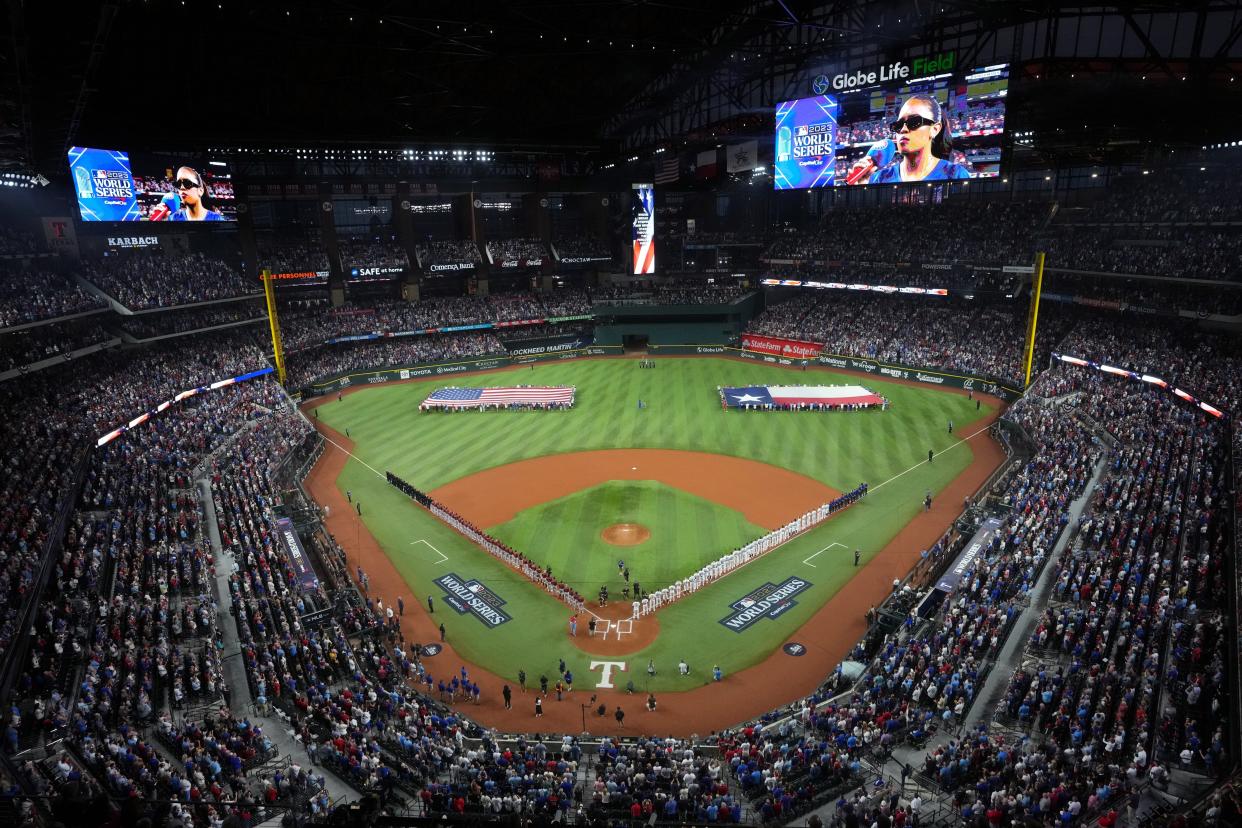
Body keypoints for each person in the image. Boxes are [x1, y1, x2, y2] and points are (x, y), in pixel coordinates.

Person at [859, 94, 972, 184]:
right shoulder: (879, 179)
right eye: (898, 125)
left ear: (935, 129)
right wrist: (861, 189)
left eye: (914, 122)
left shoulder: (956, 175)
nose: (903, 129)